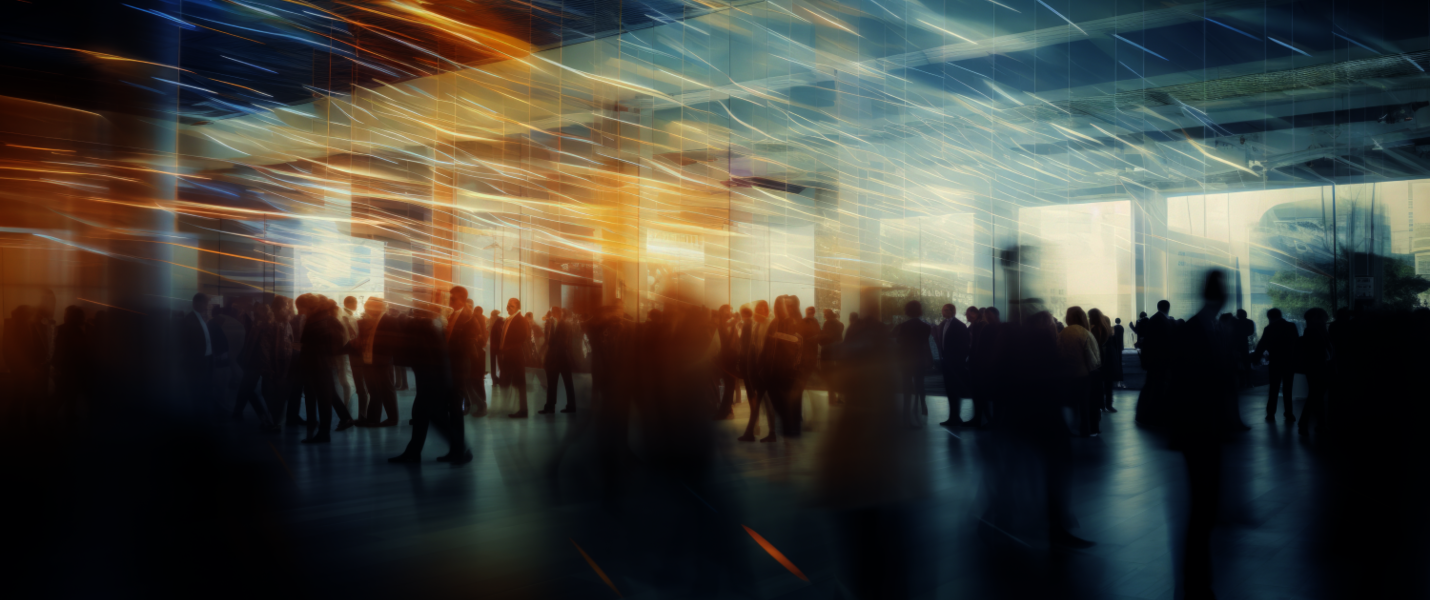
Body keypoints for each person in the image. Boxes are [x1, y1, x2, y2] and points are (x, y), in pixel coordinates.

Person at [388, 304, 471, 464]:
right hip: (434, 379)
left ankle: (461, 450)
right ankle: (415, 452)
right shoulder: (432, 326)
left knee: (432, 416)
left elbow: (419, 354)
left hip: (431, 380)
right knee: (423, 415)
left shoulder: (423, 326)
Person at [354, 296, 401, 426]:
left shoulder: (389, 320)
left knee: (386, 390)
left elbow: (395, 341)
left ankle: (392, 419)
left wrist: (386, 357)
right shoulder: (371, 321)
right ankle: (372, 419)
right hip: (369, 360)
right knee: (374, 391)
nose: (367, 310)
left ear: (377, 307)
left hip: (381, 361)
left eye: (368, 307)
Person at [232, 304, 279, 432]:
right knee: (249, 390)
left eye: (256, 313)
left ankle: (265, 420)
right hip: (258, 363)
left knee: (247, 389)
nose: (254, 314)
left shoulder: (261, 327)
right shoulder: (267, 326)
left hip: (256, 363)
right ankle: (265, 419)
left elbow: (259, 347)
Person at [1057, 307, 1101, 436]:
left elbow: (1058, 353)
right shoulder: (1085, 333)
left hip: (1066, 374)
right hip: (1083, 374)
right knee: (1084, 404)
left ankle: (1069, 429)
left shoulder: (1062, 333)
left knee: (1069, 403)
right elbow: (1093, 359)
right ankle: (1085, 430)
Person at [178, 293, 223, 422]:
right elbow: (186, 343)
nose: (206, 306)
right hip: (197, 362)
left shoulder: (197, 318)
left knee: (202, 389)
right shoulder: (190, 320)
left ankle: (201, 415)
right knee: (197, 390)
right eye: (205, 303)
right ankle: (199, 417)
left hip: (203, 360)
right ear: (197, 303)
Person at [738, 299, 778, 442]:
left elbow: (767, 350)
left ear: (766, 312)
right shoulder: (757, 326)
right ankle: (757, 432)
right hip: (759, 371)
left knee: (764, 403)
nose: (759, 312)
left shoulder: (768, 325)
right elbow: (753, 350)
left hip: (765, 371)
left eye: (762, 309)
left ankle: (754, 433)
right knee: (762, 403)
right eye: (758, 309)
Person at [1253, 308, 1300, 423]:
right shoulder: (1291, 326)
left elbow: (1262, 344)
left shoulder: (1269, 328)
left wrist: (1256, 358)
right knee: (1287, 388)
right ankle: (1289, 413)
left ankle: (1271, 413)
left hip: (1275, 361)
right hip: (1289, 361)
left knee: (1274, 388)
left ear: (1269, 317)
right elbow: (1297, 343)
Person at [892, 300, 933, 423]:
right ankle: (922, 405)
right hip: (919, 358)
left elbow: (898, 341)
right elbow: (925, 344)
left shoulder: (903, 326)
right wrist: (929, 359)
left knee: (907, 385)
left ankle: (906, 412)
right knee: (920, 383)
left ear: (907, 311)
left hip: (906, 359)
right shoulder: (926, 327)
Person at [935, 303, 971, 427]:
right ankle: (953, 417)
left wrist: (959, 361)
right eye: (942, 310)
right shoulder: (942, 324)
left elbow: (965, 345)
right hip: (946, 363)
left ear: (952, 311)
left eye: (945, 310)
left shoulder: (960, 326)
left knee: (954, 389)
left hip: (955, 364)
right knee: (950, 390)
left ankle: (955, 417)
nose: (943, 312)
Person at [1296, 308, 1331, 435]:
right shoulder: (1317, 331)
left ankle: (1315, 423)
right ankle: (1313, 423)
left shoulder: (1311, 330)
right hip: (1318, 367)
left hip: (1314, 368)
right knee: (1316, 395)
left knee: (1315, 395)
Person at [495, 298, 532, 418]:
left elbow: (523, 337)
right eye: (508, 306)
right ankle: (511, 407)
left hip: (516, 355)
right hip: (509, 355)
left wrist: (508, 348)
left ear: (518, 308)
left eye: (511, 306)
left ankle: (522, 410)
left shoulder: (521, 320)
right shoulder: (509, 319)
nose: (508, 308)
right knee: (509, 382)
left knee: (519, 383)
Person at [52, 305, 90, 419]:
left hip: (65, 369)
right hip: (72, 369)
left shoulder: (62, 329)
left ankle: (52, 418)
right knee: (68, 396)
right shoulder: (78, 331)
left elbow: (59, 350)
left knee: (62, 396)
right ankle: (65, 418)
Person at [541, 306, 578, 414]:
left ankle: (551, 406)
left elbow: (551, 341)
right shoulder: (563, 324)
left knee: (553, 383)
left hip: (557, 357)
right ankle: (569, 406)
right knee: (567, 383)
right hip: (562, 357)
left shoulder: (558, 325)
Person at [340, 296, 365, 418]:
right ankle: (346, 408)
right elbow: (352, 335)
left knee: (349, 380)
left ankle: (347, 408)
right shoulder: (345, 318)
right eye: (355, 303)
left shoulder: (350, 317)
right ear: (350, 304)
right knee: (347, 381)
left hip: (350, 352)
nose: (356, 305)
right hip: (348, 352)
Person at [714, 304, 739, 419]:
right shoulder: (720, 327)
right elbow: (724, 344)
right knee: (725, 386)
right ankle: (725, 410)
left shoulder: (730, 327)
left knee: (729, 386)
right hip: (723, 361)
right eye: (727, 313)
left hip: (730, 360)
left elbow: (736, 343)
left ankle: (726, 410)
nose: (729, 315)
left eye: (730, 312)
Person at [818, 308, 845, 406]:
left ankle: (832, 399)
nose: (824, 317)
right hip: (839, 353)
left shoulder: (827, 323)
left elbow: (826, 337)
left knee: (829, 377)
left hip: (829, 353)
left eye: (825, 315)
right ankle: (840, 397)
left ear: (827, 316)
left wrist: (819, 336)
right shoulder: (840, 324)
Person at [1109, 317, 1126, 394]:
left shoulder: (1113, 328)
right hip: (1120, 346)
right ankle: (1119, 381)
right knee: (1119, 361)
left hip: (1114, 347)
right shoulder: (1121, 328)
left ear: (1115, 321)